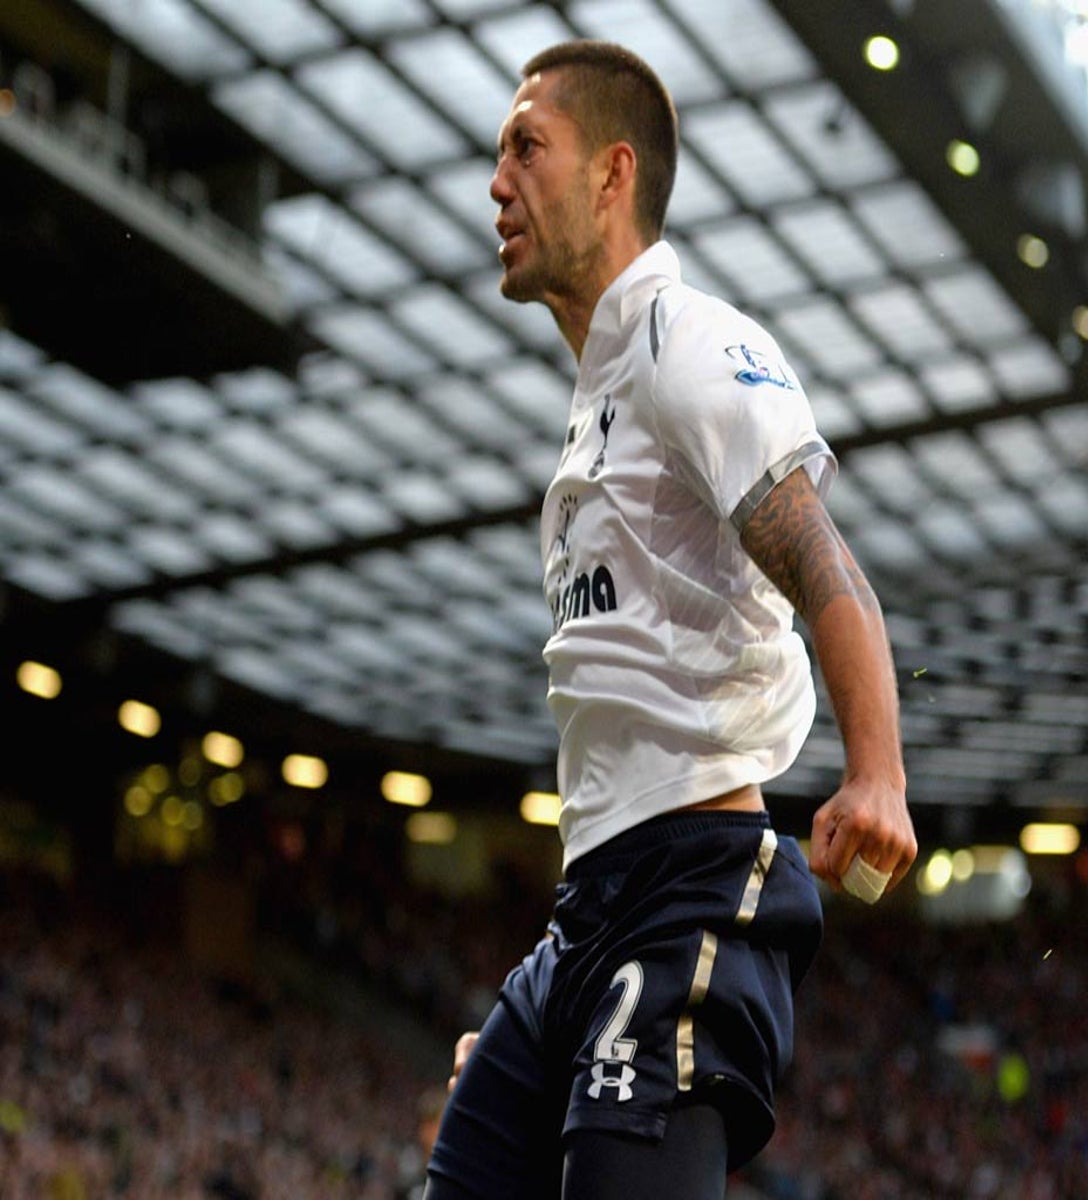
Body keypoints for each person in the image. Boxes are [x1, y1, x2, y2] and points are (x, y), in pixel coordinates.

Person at [423, 39, 917, 1200]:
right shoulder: (598, 399)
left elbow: (817, 556)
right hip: (589, 913)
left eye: (524, 147)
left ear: (612, 173)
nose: (496, 182)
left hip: (693, 889)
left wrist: (878, 770)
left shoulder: (690, 345)